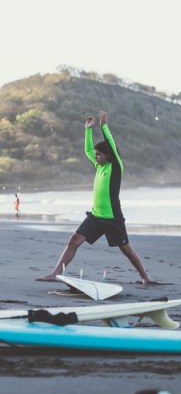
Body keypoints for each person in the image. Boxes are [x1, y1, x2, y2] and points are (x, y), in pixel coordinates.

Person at [36, 111, 152, 284]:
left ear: (108, 155)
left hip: (112, 218)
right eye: (96, 155)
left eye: (99, 154)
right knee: (74, 240)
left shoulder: (115, 168)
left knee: (125, 248)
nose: (96, 157)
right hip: (96, 216)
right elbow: (88, 150)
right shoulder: (99, 167)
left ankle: (145, 277)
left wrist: (103, 126)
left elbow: (111, 145)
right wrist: (88, 130)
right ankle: (56, 273)